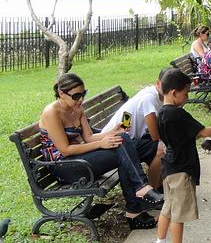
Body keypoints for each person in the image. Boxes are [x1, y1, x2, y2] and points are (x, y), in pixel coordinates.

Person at [38, 73, 164, 230]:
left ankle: (137, 205)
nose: (81, 99)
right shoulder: (52, 113)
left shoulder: (77, 108)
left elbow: (89, 137)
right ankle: (138, 198)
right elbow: (65, 149)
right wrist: (101, 144)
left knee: (123, 138)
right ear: (62, 93)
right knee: (122, 148)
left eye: (83, 94)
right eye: (76, 95)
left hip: (80, 158)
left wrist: (112, 132)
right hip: (64, 166)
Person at [155, 69, 211, 243]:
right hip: (181, 169)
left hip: (169, 167)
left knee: (168, 208)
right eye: (186, 93)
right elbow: (204, 131)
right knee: (178, 216)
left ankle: (160, 240)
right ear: (173, 93)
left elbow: (185, 134)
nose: (187, 97)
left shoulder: (161, 113)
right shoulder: (177, 113)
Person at [102, 68, 169, 189]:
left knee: (161, 146)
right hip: (116, 145)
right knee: (161, 149)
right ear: (157, 83)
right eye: (167, 85)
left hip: (126, 141)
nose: (170, 90)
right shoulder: (149, 98)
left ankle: (157, 187)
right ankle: (153, 191)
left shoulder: (154, 94)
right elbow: (155, 135)